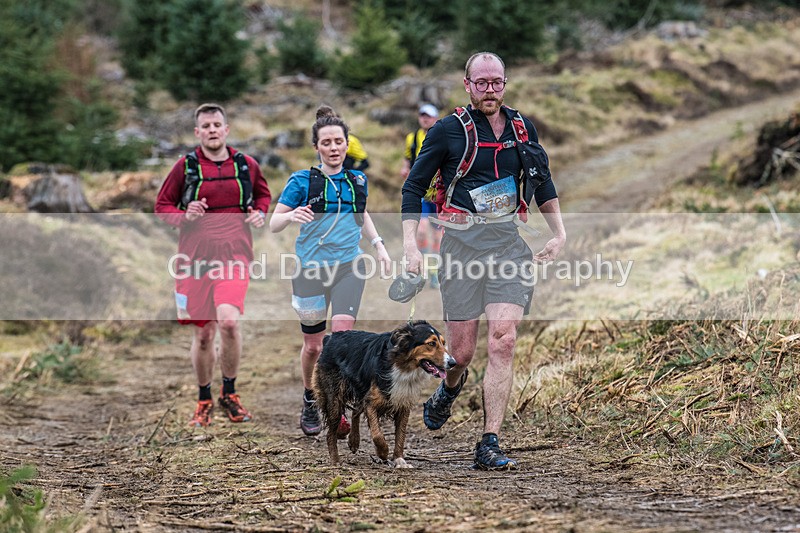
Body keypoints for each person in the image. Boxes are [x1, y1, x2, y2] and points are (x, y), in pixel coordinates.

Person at [400, 52, 567, 470]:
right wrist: (409, 247)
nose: (490, 90)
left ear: (505, 83)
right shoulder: (446, 131)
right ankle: (449, 389)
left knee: (504, 339)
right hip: (459, 250)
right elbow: (413, 188)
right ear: (467, 84)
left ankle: (489, 440)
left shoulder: (522, 128)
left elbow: (542, 181)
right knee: (461, 353)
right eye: (482, 83)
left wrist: (558, 232)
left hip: (508, 247)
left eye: (497, 82)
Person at [270, 105, 391, 437]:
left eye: (339, 141)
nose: (334, 147)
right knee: (313, 347)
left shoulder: (357, 180)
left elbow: (361, 215)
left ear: (347, 142)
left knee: (338, 339)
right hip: (310, 270)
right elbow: (274, 223)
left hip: (349, 268)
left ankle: (335, 406)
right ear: (317, 147)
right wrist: (292, 216)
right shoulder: (301, 181)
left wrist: (379, 245)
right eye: (327, 142)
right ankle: (311, 398)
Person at [155, 103, 271, 428]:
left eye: (217, 124)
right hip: (193, 259)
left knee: (229, 322)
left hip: (235, 253)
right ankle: (204, 399)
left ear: (226, 128)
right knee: (204, 334)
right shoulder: (186, 166)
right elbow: (162, 206)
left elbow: (263, 196)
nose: (212, 130)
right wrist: (184, 215)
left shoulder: (246, 164)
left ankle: (230, 394)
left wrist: (259, 213)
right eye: (205, 126)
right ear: (197, 132)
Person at [400, 103, 442, 288]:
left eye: (429, 116)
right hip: (422, 193)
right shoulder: (413, 137)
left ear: (435, 118)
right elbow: (408, 157)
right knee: (423, 230)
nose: (425, 119)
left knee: (438, 237)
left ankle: (434, 273)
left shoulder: (443, 135)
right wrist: (405, 168)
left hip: (439, 194)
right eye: (422, 115)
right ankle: (423, 269)